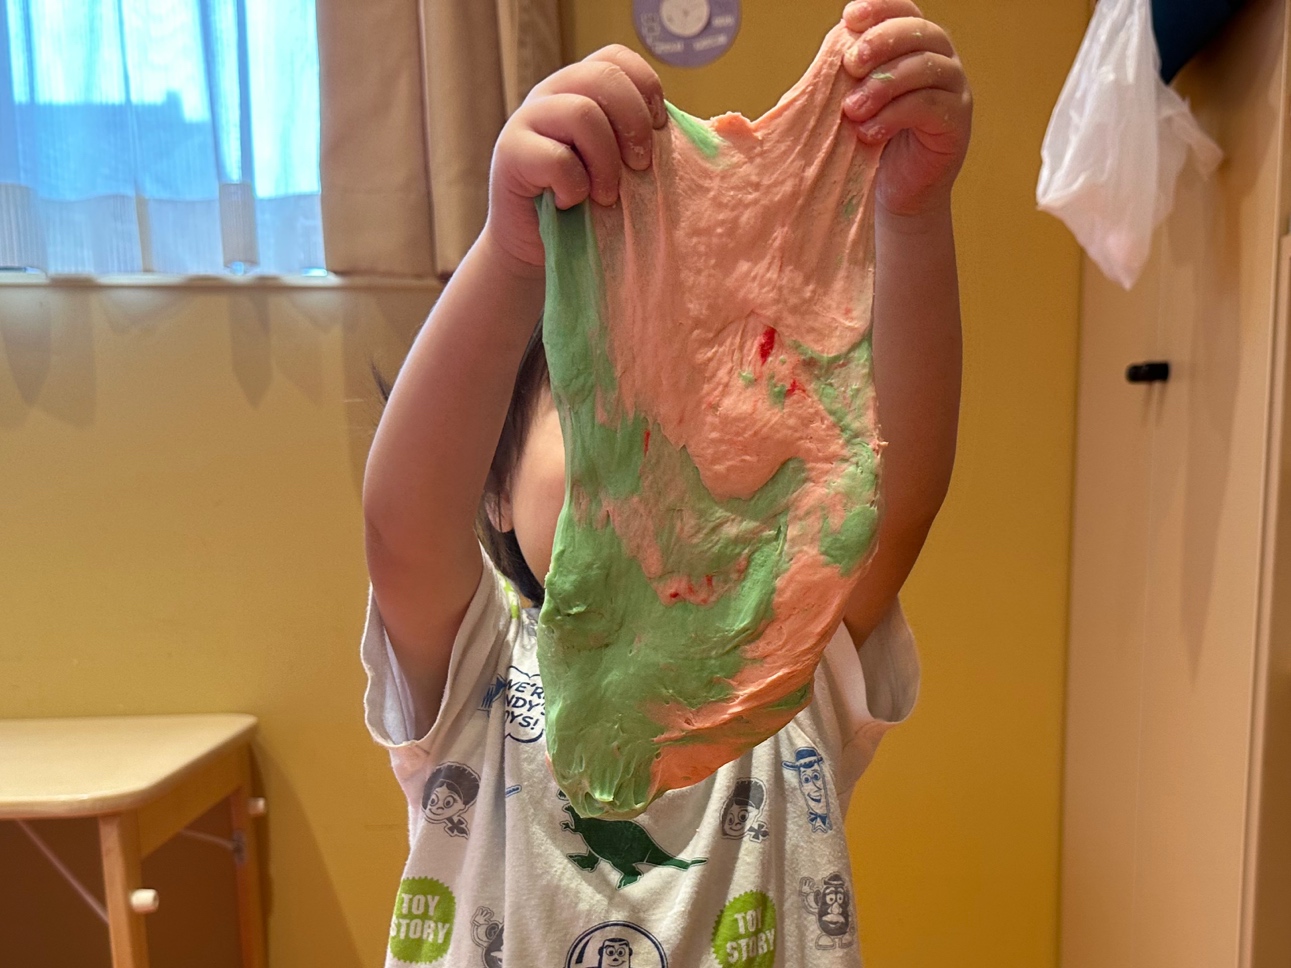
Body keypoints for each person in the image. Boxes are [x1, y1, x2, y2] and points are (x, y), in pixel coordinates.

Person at [361, 0, 969, 963]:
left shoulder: (784, 657)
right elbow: (402, 527)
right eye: (601, 402)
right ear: (493, 490)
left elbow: (895, 499)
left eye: (705, 409)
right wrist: (511, 257)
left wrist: (909, 216)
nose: (664, 452)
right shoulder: (473, 670)